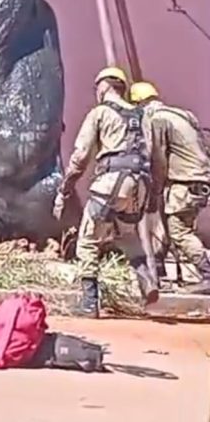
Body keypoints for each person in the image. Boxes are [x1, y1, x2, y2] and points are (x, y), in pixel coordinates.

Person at [54, 66, 158, 318]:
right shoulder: (143, 115)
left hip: (111, 183)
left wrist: (65, 189)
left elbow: (80, 156)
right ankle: (147, 280)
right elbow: (153, 155)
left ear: (103, 86)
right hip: (140, 186)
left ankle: (89, 303)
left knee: (88, 240)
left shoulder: (100, 113)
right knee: (127, 236)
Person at [130, 81, 210, 294]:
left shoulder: (157, 119)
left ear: (140, 105)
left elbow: (159, 158)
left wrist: (155, 191)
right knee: (177, 229)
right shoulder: (183, 114)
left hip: (184, 184)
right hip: (200, 181)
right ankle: (164, 272)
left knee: (179, 232)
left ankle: (208, 274)